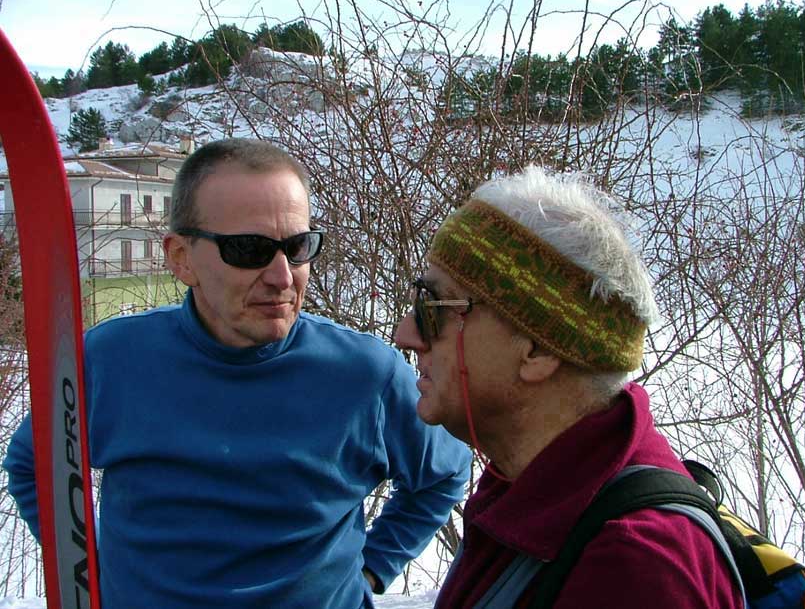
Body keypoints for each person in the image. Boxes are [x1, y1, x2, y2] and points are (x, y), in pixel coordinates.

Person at [4, 138, 471, 608]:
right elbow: (34, 467)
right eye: (248, 249)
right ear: (181, 257)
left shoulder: (365, 374)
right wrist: (89, 571)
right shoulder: (111, 360)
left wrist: (372, 569)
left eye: (298, 247)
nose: (283, 277)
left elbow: (444, 475)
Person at [394, 166, 742, 608]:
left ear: (538, 350)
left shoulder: (635, 570)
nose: (406, 334)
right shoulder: (530, 489)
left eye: (433, 307)